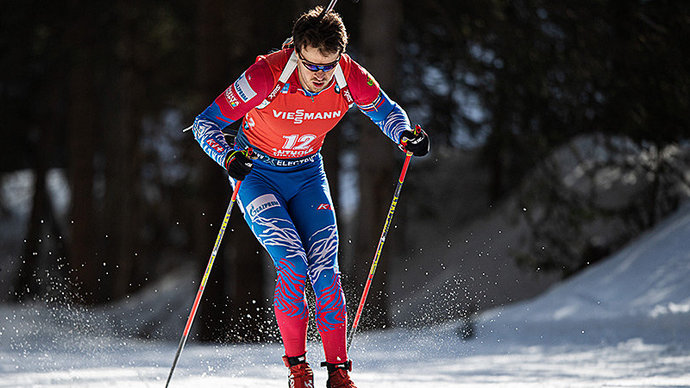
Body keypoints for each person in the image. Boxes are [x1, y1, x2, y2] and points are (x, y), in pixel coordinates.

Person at [191, 6, 429, 388]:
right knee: (293, 263)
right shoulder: (266, 74)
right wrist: (228, 156)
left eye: (328, 65)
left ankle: (338, 373)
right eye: (312, 65)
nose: (320, 75)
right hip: (258, 175)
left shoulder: (348, 75)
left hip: (306, 175)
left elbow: (386, 111)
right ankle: (298, 371)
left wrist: (406, 135)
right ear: (296, 52)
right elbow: (205, 125)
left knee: (325, 271)